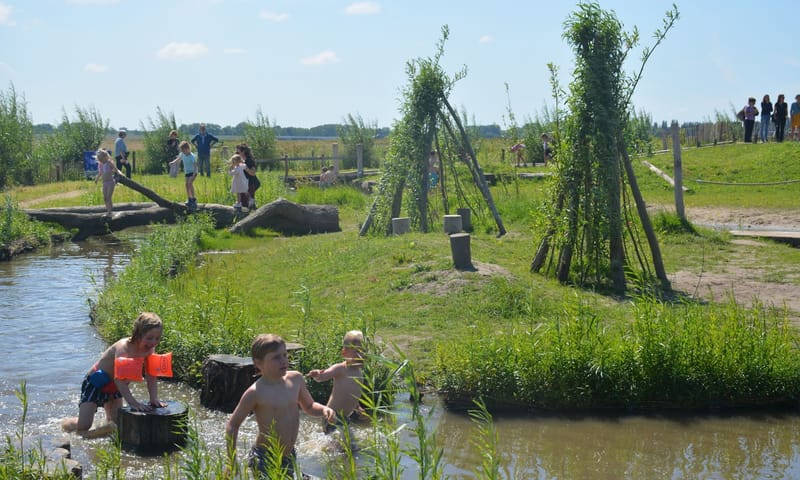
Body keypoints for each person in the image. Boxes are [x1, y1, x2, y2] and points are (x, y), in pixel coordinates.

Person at [225, 334, 334, 479]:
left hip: (289, 455)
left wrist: (324, 409)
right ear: (258, 363)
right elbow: (232, 425)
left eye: (284, 355)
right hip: (265, 458)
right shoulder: (256, 392)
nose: (283, 361)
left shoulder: (296, 379)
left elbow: (309, 406)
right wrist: (231, 461)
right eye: (276, 357)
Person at [61, 312, 167, 438]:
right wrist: (133, 403)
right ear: (138, 334)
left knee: (115, 424)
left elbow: (151, 375)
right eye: (149, 338)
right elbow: (120, 380)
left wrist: (153, 398)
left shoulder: (149, 349)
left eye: (157, 338)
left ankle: (105, 435)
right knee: (84, 427)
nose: (153, 342)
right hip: (96, 384)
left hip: (115, 388)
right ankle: (66, 424)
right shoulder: (124, 348)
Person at [307, 330, 365, 435]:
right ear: (344, 352)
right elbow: (323, 376)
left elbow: (354, 393)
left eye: (363, 351)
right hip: (332, 416)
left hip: (345, 417)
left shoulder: (359, 373)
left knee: (347, 446)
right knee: (333, 446)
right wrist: (317, 374)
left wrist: (357, 407)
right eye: (356, 351)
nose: (361, 355)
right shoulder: (340, 368)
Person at [169, 141, 199, 210]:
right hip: (187, 172)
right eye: (182, 150)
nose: (183, 152)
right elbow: (178, 159)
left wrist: (193, 175)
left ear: (188, 148)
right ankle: (189, 198)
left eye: (184, 150)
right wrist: (172, 162)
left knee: (190, 183)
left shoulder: (192, 156)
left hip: (193, 172)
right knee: (186, 184)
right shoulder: (182, 154)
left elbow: (195, 167)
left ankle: (193, 199)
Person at [94, 149, 123, 216]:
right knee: (105, 198)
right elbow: (100, 173)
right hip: (104, 183)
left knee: (108, 197)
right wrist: (97, 179)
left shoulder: (109, 163)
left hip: (110, 182)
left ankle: (110, 211)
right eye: (99, 159)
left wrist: (120, 174)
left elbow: (116, 170)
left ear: (105, 157)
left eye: (101, 159)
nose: (101, 161)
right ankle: (108, 211)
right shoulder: (100, 164)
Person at [236, 143, 261, 209]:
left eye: (238, 152)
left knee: (248, 203)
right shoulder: (239, 160)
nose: (237, 153)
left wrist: (246, 168)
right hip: (244, 184)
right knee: (244, 203)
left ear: (243, 152)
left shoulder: (249, 161)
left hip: (251, 183)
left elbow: (253, 173)